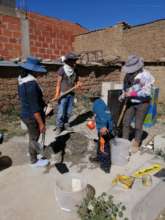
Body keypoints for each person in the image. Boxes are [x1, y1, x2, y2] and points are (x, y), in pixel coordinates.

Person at [18, 57, 49, 167]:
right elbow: (34, 108)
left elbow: (29, 100)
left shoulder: (22, 80)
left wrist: (42, 103)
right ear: (33, 70)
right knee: (34, 137)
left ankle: (31, 151)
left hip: (26, 114)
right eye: (38, 71)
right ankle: (34, 160)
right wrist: (41, 124)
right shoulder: (31, 85)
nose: (39, 73)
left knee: (32, 136)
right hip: (32, 116)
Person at [120, 55, 155, 153]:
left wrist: (132, 93)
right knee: (125, 122)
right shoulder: (128, 75)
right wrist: (123, 94)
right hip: (131, 102)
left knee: (138, 125)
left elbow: (147, 93)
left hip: (143, 103)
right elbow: (125, 87)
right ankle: (124, 141)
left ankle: (137, 141)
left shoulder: (145, 76)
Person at [51, 52, 81, 135]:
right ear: (68, 61)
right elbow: (58, 84)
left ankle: (66, 124)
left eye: (74, 60)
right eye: (73, 61)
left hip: (71, 94)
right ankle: (59, 126)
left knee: (68, 111)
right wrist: (57, 95)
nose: (74, 62)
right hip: (63, 94)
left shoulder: (75, 70)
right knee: (61, 112)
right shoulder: (62, 70)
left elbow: (77, 80)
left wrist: (78, 84)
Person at [88, 90, 113, 173]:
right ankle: (99, 158)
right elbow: (101, 114)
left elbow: (103, 117)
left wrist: (103, 127)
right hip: (104, 126)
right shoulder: (100, 102)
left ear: (92, 97)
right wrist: (94, 119)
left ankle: (106, 166)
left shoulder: (97, 104)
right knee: (100, 143)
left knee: (104, 147)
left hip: (104, 128)